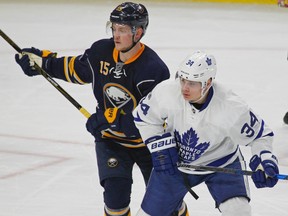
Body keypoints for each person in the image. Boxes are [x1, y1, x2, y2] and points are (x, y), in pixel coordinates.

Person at [14, 2, 190, 216]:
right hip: (112, 141)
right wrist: (43, 63)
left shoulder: (153, 70)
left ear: (139, 32)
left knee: (169, 205)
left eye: (122, 30)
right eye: (114, 28)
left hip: (151, 146)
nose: (116, 35)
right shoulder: (101, 51)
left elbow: (153, 121)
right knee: (115, 203)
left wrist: (112, 118)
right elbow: (76, 69)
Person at [133, 50, 280, 216]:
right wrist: (158, 145)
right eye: (183, 80)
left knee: (238, 211)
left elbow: (260, 135)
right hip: (175, 166)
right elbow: (143, 117)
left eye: (192, 83)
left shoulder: (230, 107)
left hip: (221, 164)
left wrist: (264, 159)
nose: (185, 88)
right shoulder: (167, 92)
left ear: (208, 82)